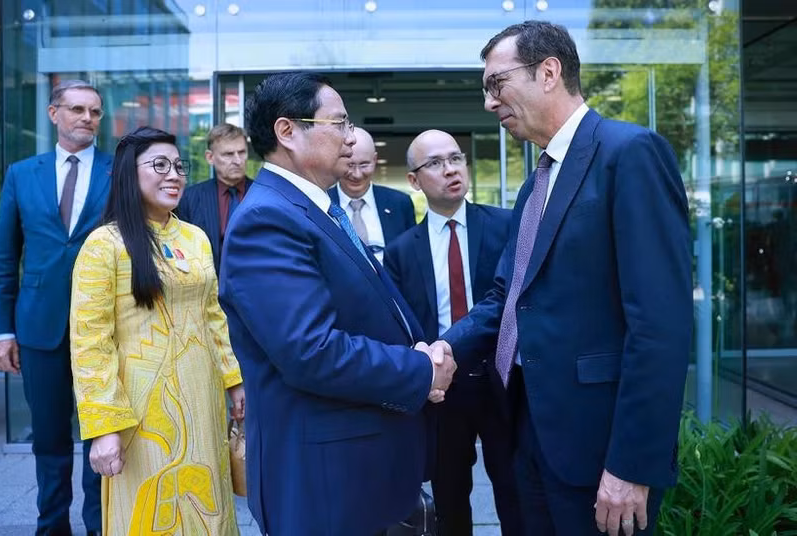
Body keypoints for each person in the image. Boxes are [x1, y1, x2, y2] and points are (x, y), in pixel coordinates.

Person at [439, 21, 692, 536]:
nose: (489, 103)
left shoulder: (630, 154)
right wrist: (440, 349)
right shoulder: (536, 183)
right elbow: (507, 299)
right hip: (528, 436)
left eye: (496, 84)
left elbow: (660, 327)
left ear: (548, 72)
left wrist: (631, 466)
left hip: (602, 454)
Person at [218, 72, 456, 536]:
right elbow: (311, 352)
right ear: (288, 131)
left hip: (356, 465)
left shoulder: (310, 207)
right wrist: (419, 371)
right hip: (324, 478)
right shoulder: (269, 219)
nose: (351, 138)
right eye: (340, 123)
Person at [69, 126, 245, 535]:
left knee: (208, 504)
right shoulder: (104, 245)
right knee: (151, 510)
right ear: (131, 174)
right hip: (142, 409)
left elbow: (212, 316)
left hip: (202, 397)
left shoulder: (195, 238)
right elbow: (90, 342)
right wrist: (104, 428)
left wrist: (234, 380)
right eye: (160, 165)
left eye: (179, 166)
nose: (174, 175)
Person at [385, 129, 521, 536]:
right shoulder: (401, 251)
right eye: (436, 163)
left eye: (456, 158)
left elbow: (513, 302)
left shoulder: (505, 225)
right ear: (414, 180)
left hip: (505, 384)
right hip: (443, 393)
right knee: (449, 500)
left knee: (517, 496)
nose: (450, 170)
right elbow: (403, 325)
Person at [0, 79, 109, 536]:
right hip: (40, 327)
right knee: (49, 439)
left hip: (105, 326)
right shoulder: (21, 173)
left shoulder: (118, 169)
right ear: (53, 114)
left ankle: (100, 524)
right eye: (78, 110)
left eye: (96, 112)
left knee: (104, 432)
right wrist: (3, 331)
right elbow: (5, 259)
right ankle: (51, 526)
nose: (87, 119)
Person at [328, 127, 416, 262]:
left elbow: (411, 257)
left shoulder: (399, 203)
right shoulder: (323, 203)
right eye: (350, 165)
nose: (357, 174)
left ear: (375, 160)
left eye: (364, 165)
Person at [177, 123, 253, 274]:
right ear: (210, 157)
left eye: (242, 152)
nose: (238, 160)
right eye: (228, 154)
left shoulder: (263, 194)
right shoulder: (190, 199)